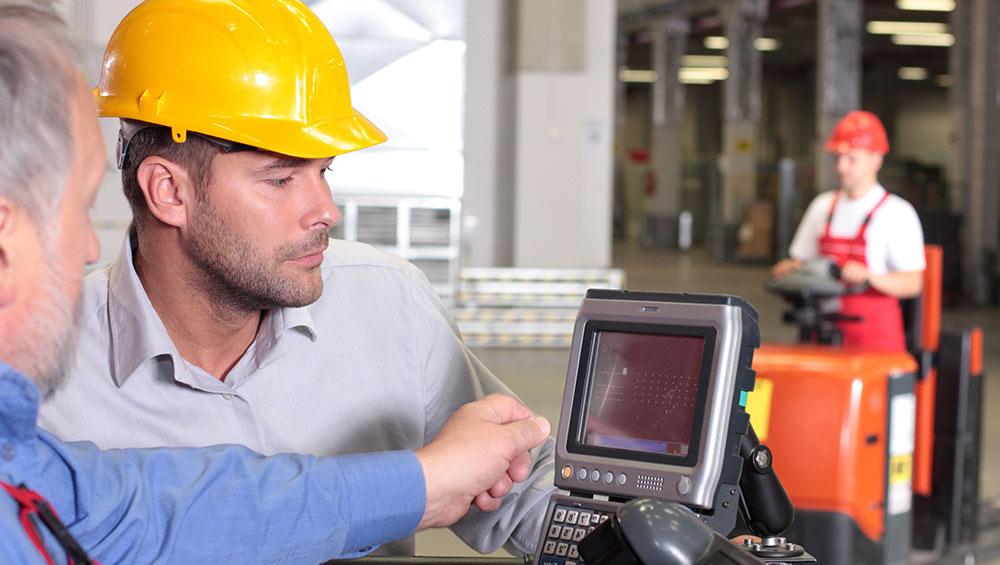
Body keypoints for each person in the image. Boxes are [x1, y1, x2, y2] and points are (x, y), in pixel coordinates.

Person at [0, 3, 550, 563]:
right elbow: (149, 514)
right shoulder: (45, 372)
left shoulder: (390, 304)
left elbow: (523, 486)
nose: (326, 211)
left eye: (323, 171)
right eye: (281, 178)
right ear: (168, 191)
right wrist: (420, 484)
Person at [771, 110, 925, 352]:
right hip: (822, 338)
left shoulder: (897, 213)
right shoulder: (822, 206)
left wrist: (870, 277)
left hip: (875, 345)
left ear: (876, 159)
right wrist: (790, 270)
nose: (841, 167)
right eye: (838, 158)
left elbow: (913, 283)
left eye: (852, 159)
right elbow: (801, 263)